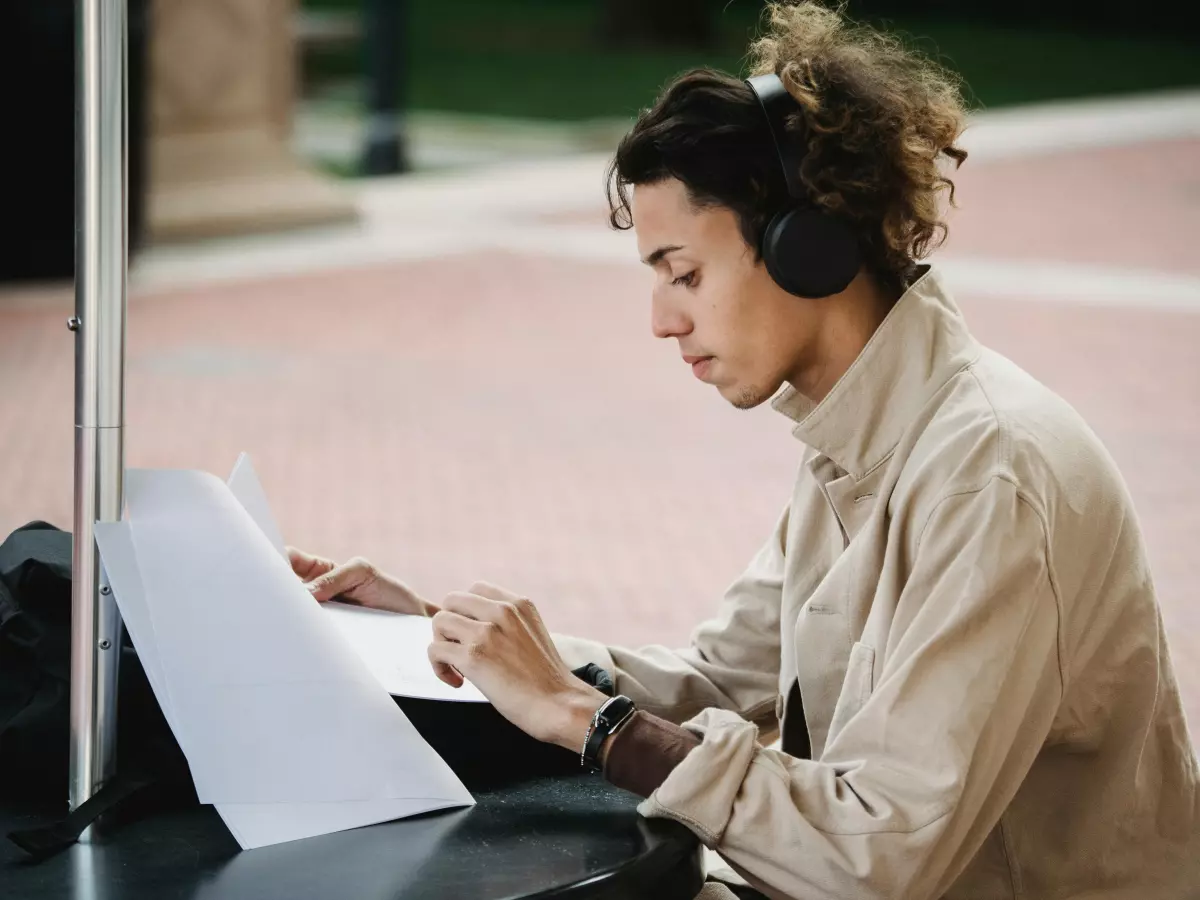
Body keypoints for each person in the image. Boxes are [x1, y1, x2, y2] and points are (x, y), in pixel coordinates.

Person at [288, 3, 1200, 897]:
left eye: (685, 273)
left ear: (809, 249)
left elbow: (877, 857)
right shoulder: (862, 436)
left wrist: (585, 720)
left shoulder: (985, 477)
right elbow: (719, 679)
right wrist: (450, 645)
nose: (661, 319)